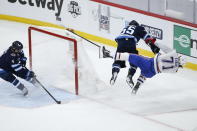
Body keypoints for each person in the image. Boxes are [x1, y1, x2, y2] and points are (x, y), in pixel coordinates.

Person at [102, 42, 185, 94]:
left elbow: (163, 47)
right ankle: (136, 87)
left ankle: (108, 54)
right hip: (152, 73)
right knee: (144, 75)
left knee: (130, 56)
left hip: (149, 63)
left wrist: (154, 43)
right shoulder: (175, 70)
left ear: (179, 57)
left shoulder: (173, 54)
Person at [111, 20, 160, 88]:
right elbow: (147, 37)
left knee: (119, 59)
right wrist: (153, 46)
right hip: (130, 42)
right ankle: (129, 76)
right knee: (134, 61)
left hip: (120, 42)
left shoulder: (125, 28)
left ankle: (114, 73)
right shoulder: (138, 28)